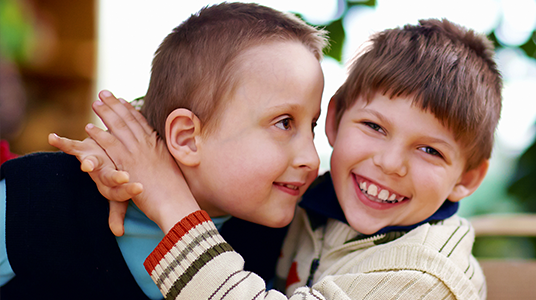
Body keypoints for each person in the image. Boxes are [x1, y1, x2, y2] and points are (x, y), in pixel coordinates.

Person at [66, 18, 502, 300]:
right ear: (332, 119)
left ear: (467, 178)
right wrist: (124, 150)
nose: (390, 164)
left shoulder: (427, 278)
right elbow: (217, 127)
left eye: (430, 150)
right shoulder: (315, 203)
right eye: (374, 127)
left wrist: (167, 197)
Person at [0, 3, 326, 299]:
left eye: (312, 125)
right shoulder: (37, 200)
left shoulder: (286, 238)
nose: (311, 159)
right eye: (284, 123)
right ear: (185, 138)